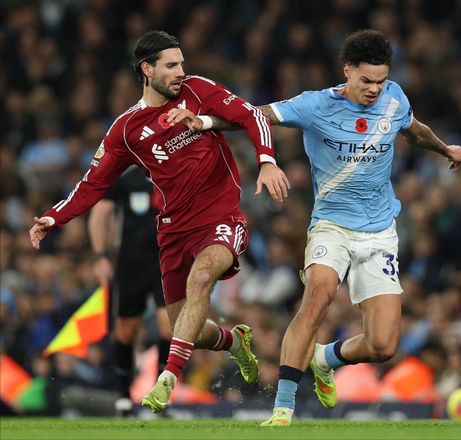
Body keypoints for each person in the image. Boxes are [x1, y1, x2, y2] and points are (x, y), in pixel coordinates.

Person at [195, 29, 461, 426]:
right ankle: (283, 408)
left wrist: (444, 148)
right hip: (331, 226)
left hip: (379, 232)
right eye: (367, 80)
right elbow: (255, 115)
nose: (375, 89)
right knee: (318, 296)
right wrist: (204, 121)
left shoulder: (395, 97)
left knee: (383, 345)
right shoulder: (314, 105)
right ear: (347, 71)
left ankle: (325, 358)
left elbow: (414, 130)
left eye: (381, 80)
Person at [29, 30, 290, 414]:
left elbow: (251, 115)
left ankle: (168, 377)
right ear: (147, 70)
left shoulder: (198, 90)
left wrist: (266, 160)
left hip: (221, 218)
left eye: (181, 63)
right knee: (187, 327)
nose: (181, 71)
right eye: (171, 65)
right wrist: (54, 217)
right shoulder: (126, 129)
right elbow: (93, 183)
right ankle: (236, 342)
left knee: (202, 278)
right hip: (173, 231)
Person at [87, 166, 171, 416]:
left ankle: (161, 396)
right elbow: (100, 214)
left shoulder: (173, 171)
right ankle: (123, 396)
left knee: (169, 327)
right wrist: (100, 256)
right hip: (130, 264)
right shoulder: (125, 176)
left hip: (166, 261)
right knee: (126, 330)